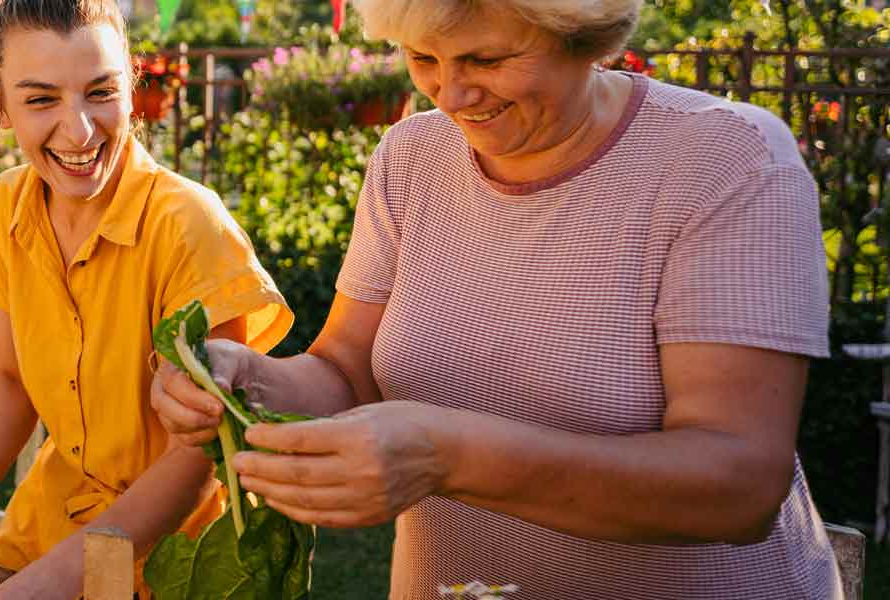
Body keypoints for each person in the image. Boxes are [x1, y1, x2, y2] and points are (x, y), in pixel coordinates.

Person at [150, 0, 841, 597]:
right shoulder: (410, 158)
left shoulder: (728, 162)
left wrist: (447, 455)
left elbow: (737, 484)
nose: (449, 96)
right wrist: (249, 381)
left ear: (583, 35)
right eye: (423, 58)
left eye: (485, 58)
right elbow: (346, 369)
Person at [0, 1, 293, 597]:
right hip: (45, 530)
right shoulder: (0, 210)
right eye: (40, 99)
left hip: (175, 561)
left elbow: (200, 459)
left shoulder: (190, 225)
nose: (79, 129)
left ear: (132, 89)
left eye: (99, 93)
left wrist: (58, 580)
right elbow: (10, 378)